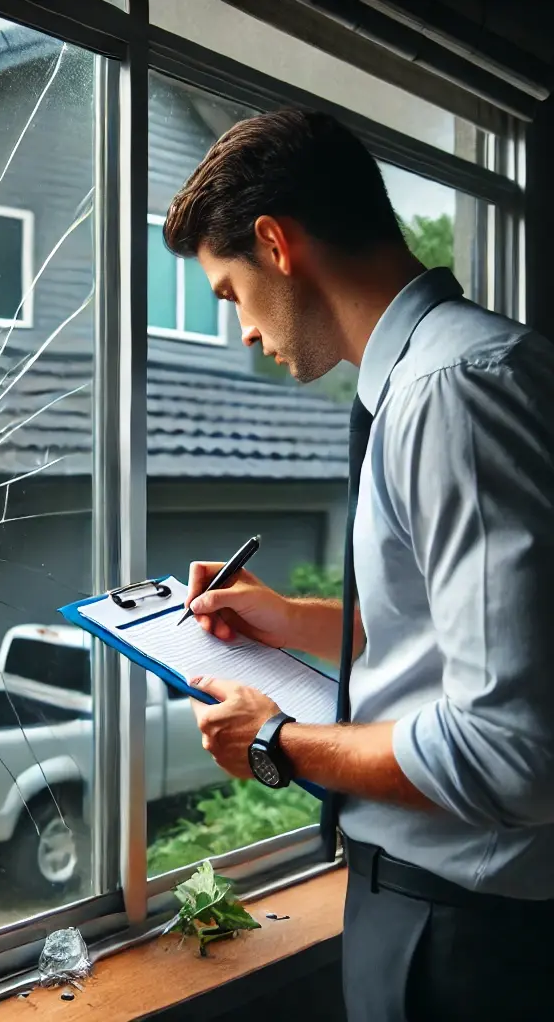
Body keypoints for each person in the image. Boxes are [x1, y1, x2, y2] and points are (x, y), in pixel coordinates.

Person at [164, 107, 554, 1022]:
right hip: (462, 906)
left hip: (464, 930)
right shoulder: (479, 366)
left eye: (229, 294)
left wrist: (277, 742)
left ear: (276, 243)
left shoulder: (448, 397)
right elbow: (444, 631)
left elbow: (516, 752)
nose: (243, 332)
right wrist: (283, 617)